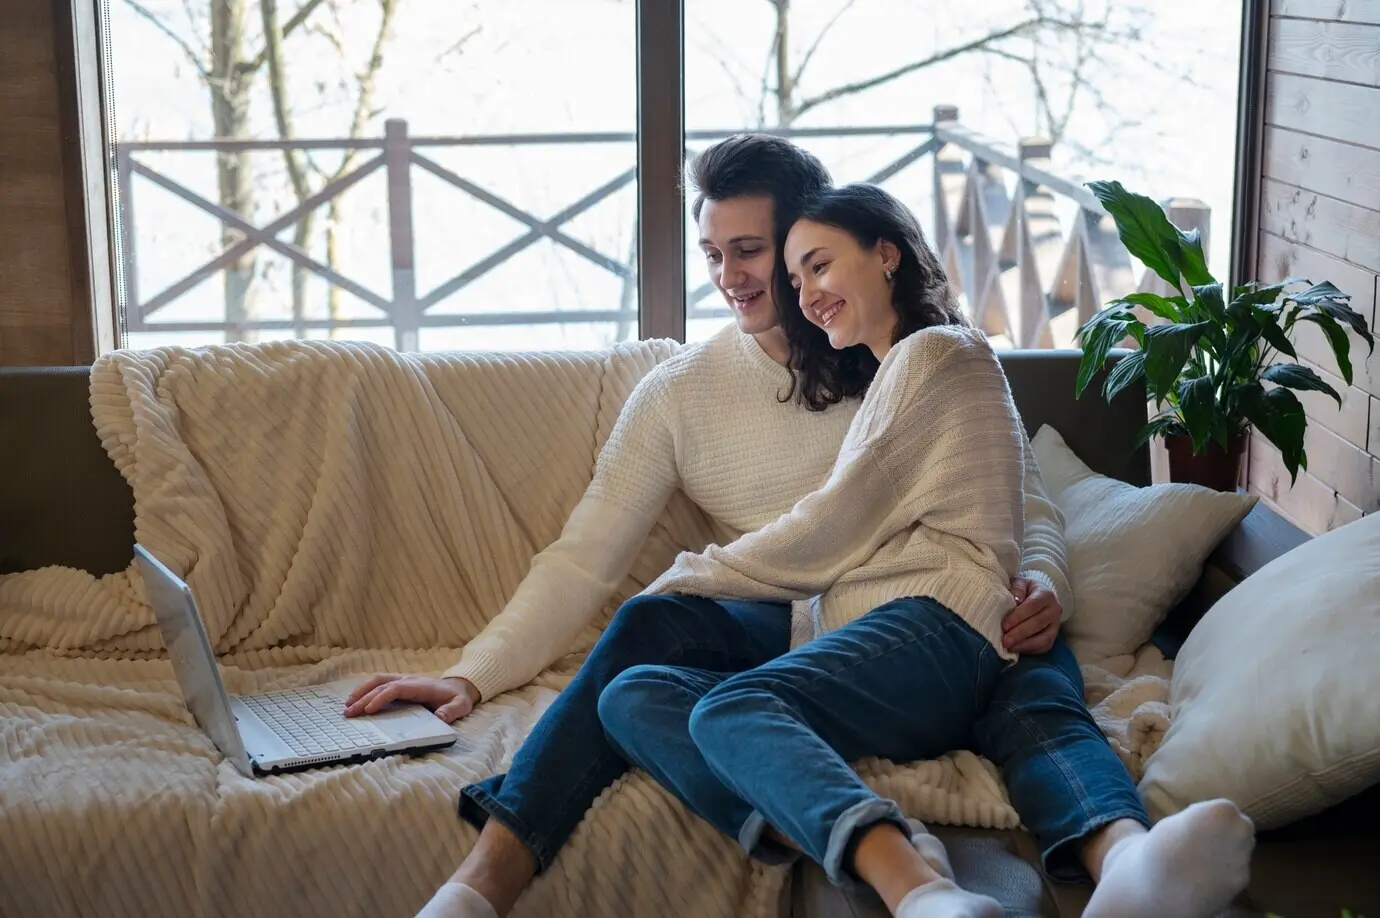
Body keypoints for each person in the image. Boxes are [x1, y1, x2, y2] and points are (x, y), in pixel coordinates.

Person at [345, 135, 1255, 918]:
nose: (732, 277)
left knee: (1034, 690)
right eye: (713, 253)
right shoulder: (679, 395)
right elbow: (587, 554)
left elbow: (1027, 498)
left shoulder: (902, 351)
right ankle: (478, 886)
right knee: (644, 639)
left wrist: (1046, 583)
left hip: (955, 605)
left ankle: (1130, 870)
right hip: (804, 616)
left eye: (753, 249)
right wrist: (469, 673)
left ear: (816, 238)